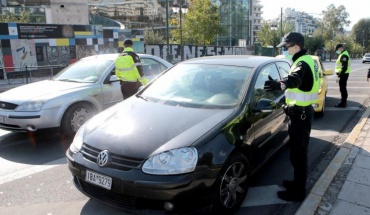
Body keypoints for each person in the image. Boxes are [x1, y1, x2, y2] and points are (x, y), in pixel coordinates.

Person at [264, 32, 319, 202]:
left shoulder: (302, 62)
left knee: (299, 155)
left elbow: (294, 79)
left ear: (296, 46)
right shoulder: (308, 59)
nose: (285, 50)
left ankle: (298, 192)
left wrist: (279, 84)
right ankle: (296, 183)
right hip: (301, 114)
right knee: (297, 154)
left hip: (300, 116)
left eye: (286, 47)